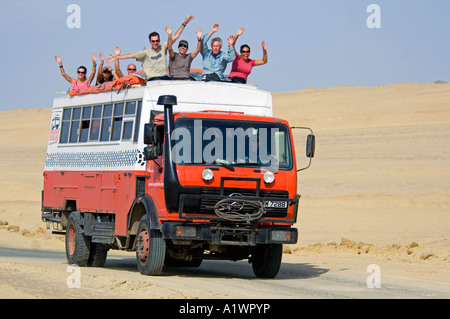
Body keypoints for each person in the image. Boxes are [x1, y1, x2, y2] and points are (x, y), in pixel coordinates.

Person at [107, 15, 194, 81]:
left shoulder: (163, 47)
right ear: (150, 42)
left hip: (165, 77)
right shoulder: (146, 53)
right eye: (153, 41)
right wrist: (116, 57)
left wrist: (184, 24)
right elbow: (131, 55)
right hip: (154, 79)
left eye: (157, 41)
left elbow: (175, 37)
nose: (155, 43)